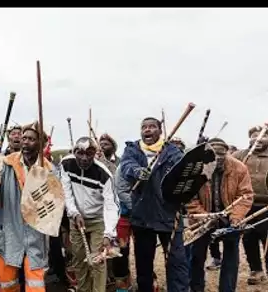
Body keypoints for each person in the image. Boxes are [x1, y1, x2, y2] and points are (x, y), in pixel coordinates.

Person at [0, 122, 53, 292]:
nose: (25, 141)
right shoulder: (6, 163)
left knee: (35, 285)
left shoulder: (49, 170)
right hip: (9, 233)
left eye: (31, 139)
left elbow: (53, 203)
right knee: (7, 284)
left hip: (35, 235)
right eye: (24, 138)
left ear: (41, 143)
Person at [120, 117, 187, 292]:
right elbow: (126, 165)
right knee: (143, 265)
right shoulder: (132, 149)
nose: (147, 130)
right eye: (144, 127)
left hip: (169, 215)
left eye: (152, 127)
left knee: (176, 263)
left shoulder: (172, 152)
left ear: (160, 130)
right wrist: (136, 171)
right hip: (142, 217)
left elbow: (184, 174)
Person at [187, 138, 252, 292]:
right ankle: (196, 288)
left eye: (222, 155)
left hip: (229, 218)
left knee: (231, 257)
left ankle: (227, 289)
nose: (218, 159)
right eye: (214, 155)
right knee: (196, 257)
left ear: (228, 153)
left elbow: (246, 195)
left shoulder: (239, 168)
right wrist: (204, 216)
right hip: (201, 220)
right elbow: (189, 197)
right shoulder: (196, 168)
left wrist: (236, 217)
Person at [61, 137, 119, 292]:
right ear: (74, 152)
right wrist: (73, 212)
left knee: (98, 261)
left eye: (89, 153)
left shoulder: (104, 174)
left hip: (98, 220)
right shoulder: (66, 164)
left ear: (95, 153)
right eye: (80, 153)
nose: (84, 158)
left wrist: (108, 233)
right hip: (76, 219)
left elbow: (111, 205)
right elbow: (66, 192)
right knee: (79, 260)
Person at [233, 125, 268, 285]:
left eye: (263, 136)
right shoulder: (240, 155)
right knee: (249, 238)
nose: (258, 139)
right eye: (254, 136)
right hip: (245, 205)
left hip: (266, 206)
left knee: (267, 239)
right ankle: (256, 270)